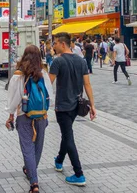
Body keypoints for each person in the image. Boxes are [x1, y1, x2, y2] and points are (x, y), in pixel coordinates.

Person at [49, 32, 97, 187]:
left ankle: (79, 174)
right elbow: (87, 84)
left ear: (63, 44)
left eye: (55, 43)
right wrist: (93, 105)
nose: (53, 46)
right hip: (77, 105)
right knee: (67, 133)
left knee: (68, 137)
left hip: (63, 106)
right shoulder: (81, 61)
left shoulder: (58, 62)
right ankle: (59, 160)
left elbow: (48, 83)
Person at [6, 45, 53, 193]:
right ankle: (31, 170)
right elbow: (49, 95)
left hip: (23, 116)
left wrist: (11, 114)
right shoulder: (43, 73)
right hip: (41, 116)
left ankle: (34, 183)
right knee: (37, 147)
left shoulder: (18, 75)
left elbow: (13, 99)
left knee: (27, 149)